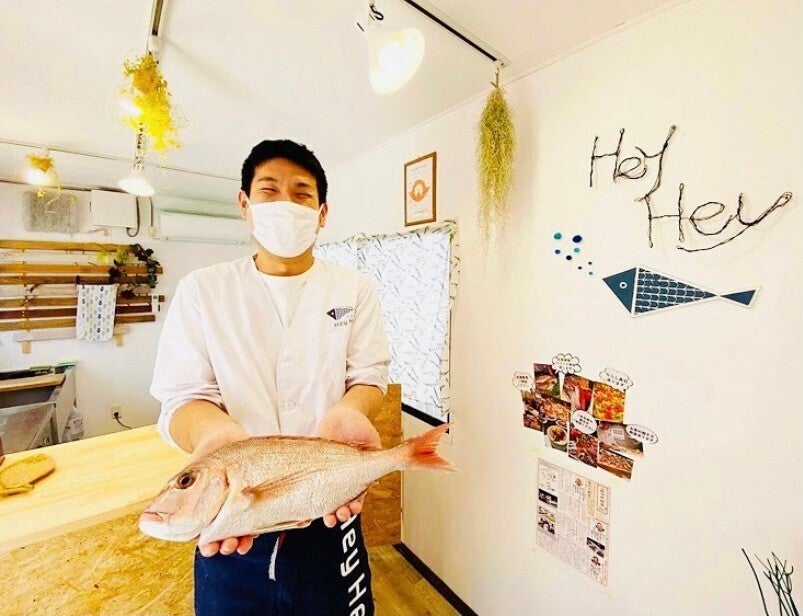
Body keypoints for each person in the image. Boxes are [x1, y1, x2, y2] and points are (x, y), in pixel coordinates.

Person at [150, 139, 391, 616]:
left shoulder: (354, 288)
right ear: (245, 204)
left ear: (322, 213)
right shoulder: (204, 289)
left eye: (301, 193)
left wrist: (352, 410)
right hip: (232, 517)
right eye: (269, 190)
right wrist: (215, 438)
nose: (286, 203)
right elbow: (182, 397)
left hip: (328, 503)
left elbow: (369, 376)